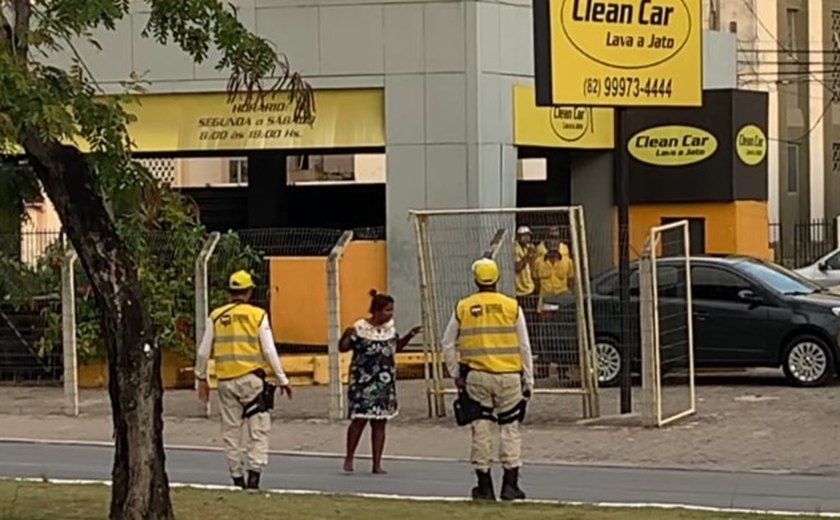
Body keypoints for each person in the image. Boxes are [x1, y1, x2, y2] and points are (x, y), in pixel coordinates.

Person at [440, 258, 535, 501]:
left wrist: (455, 374)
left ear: (475, 280)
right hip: (509, 377)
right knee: (510, 429)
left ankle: (484, 486)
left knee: (480, 429)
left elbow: (447, 343)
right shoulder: (511, 306)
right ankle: (510, 484)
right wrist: (529, 379)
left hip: (476, 377)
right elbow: (524, 346)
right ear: (497, 279)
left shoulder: (464, 307)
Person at [195, 270, 293, 490]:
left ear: (230, 292)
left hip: (225, 381)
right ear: (249, 291)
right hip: (251, 380)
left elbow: (203, 352)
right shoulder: (257, 315)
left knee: (231, 431)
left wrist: (201, 377)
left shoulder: (216, 316)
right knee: (258, 429)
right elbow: (268, 349)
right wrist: (282, 379)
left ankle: (236, 477)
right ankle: (254, 476)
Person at [340, 290, 420, 474]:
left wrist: (409, 336)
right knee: (359, 420)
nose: (390, 314)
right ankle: (349, 458)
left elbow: (395, 348)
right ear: (375, 310)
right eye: (386, 310)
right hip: (362, 382)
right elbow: (343, 347)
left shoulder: (390, 329)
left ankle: (377, 464)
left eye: (392, 310)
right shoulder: (360, 327)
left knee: (380, 423)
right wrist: (348, 334)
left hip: (384, 383)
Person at [514, 226, 536, 300]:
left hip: (529, 287)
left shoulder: (528, 247)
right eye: (524, 235)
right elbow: (517, 268)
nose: (526, 238)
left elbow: (532, 265)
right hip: (520, 290)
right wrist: (528, 255)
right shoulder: (516, 248)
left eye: (528, 235)